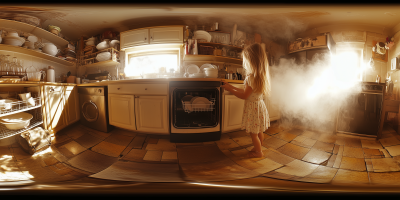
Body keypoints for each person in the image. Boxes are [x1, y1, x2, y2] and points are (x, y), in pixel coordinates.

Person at [221, 43, 271, 158]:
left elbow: (244, 95)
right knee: (259, 131)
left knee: (253, 134)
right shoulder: (260, 77)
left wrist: (229, 89)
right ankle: (258, 147)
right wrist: (231, 86)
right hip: (259, 107)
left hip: (252, 109)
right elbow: (247, 92)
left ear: (251, 61)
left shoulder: (250, 78)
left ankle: (258, 152)